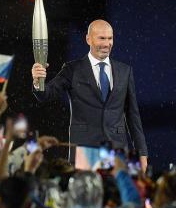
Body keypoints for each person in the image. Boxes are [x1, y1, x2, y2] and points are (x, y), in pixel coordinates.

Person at [31, 19, 148, 171]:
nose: (107, 44)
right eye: (101, 38)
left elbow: (133, 116)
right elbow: (46, 95)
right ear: (88, 39)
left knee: (115, 194)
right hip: (83, 151)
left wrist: (142, 153)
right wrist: (37, 81)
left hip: (117, 150)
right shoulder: (72, 69)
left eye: (110, 38)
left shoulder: (125, 71)